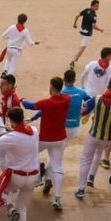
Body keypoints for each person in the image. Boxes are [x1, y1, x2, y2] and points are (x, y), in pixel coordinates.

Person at [75, 77, 111, 199]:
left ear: (108, 85)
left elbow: (83, 112)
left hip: (94, 134)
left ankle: (81, 188)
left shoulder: (96, 99)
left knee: (85, 160)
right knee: (98, 154)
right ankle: (91, 177)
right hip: (108, 137)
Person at [22, 77, 70, 211]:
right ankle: (58, 199)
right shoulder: (67, 99)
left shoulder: (47, 102)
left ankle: (38, 175)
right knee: (58, 168)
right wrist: (33, 118)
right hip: (60, 139)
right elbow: (44, 111)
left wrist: (21, 99)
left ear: (52, 87)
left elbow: (29, 105)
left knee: (31, 153)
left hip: (44, 139)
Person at [71, 0, 104, 65]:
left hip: (81, 31)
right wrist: (100, 30)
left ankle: (76, 57)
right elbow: (94, 26)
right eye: (96, 6)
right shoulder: (94, 15)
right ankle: (74, 60)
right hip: (87, 34)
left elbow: (77, 16)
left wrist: (74, 24)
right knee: (82, 48)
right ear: (92, 5)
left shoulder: (86, 10)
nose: (97, 7)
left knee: (82, 46)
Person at [61, 68, 89, 140]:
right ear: (74, 80)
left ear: (64, 80)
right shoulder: (81, 91)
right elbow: (91, 101)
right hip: (76, 128)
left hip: (62, 128)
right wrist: (85, 112)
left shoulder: (60, 92)